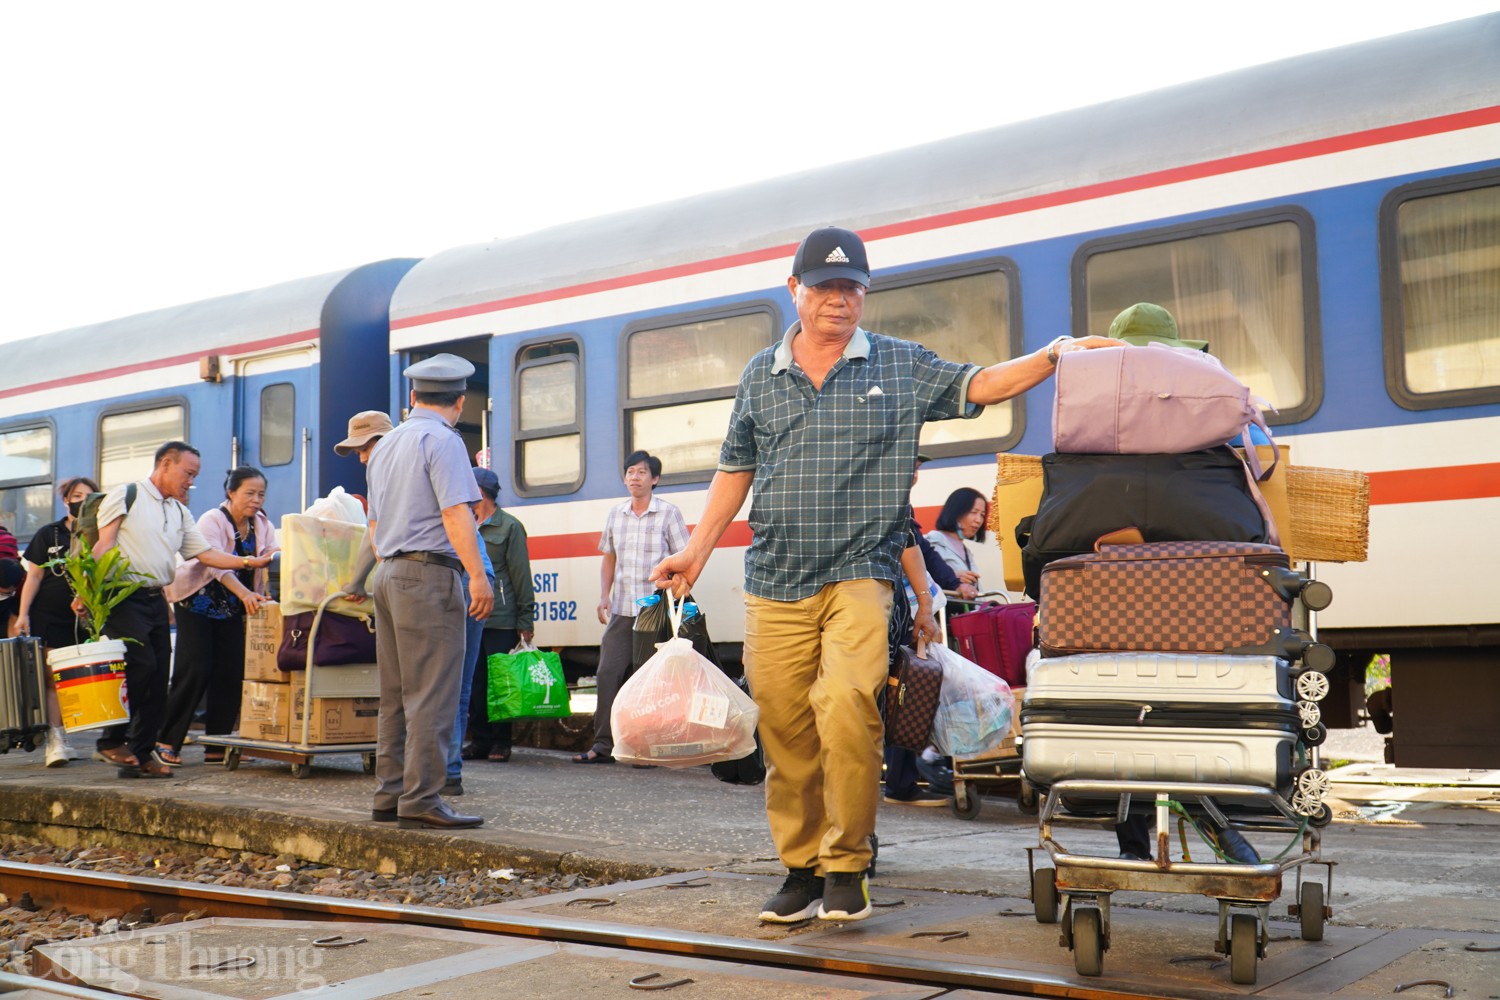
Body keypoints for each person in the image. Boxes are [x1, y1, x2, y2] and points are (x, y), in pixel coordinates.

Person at [651, 225, 1121, 922]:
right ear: (795, 291)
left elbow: (980, 384)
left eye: (852, 288)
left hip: (860, 573)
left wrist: (1054, 355)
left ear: (864, 296)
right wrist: (696, 551)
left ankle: (847, 863)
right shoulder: (761, 375)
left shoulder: (898, 365)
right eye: (825, 287)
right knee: (782, 724)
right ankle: (802, 867)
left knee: (845, 705)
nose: (839, 301)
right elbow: (735, 469)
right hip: (776, 577)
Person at [90, 442, 274, 779]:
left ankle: (143, 754)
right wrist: (90, 592)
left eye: (195, 476)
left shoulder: (179, 511)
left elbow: (207, 554)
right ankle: (111, 741)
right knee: (140, 666)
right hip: (122, 594)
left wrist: (249, 561)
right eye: (188, 473)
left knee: (160, 676)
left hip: (156, 597)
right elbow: (104, 543)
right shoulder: (127, 495)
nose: (191, 481)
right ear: (165, 464)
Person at [365, 354, 492, 830]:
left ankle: (390, 792)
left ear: (412, 397)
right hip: (429, 574)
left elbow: (374, 524)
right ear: (459, 402)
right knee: (434, 693)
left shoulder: (387, 445)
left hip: (389, 572)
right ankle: (422, 798)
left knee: (396, 693)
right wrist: (477, 576)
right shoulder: (444, 441)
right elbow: (456, 513)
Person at [155, 467, 277, 765]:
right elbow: (215, 565)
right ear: (231, 492)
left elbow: (270, 558)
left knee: (231, 671)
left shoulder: (262, 523)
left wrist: (267, 593)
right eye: (249, 493)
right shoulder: (212, 519)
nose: (256, 500)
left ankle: (217, 744)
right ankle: (165, 741)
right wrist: (245, 593)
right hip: (197, 602)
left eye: (260, 494)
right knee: (195, 667)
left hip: (233, 607)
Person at [576, 450, 689, 765]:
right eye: (630, 472)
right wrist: (603, 595)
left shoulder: (669, 513)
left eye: (641, 472)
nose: (635, 477)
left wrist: (675, 593)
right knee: (608, 672)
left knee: (651, 678)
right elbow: (609, 557)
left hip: (657, 612)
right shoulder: (616, 514)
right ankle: (602, 745)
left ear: (655, 479)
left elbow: (685, 559)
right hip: (623, 608)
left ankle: (646, 748)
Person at [15, 475, 99, 766]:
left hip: (86, 617)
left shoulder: (100, 534)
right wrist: (23, 613)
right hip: (49, 614)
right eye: (76, 496)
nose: (81, 502)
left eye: (88, 497)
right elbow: (34, 576)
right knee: (53, 679)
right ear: (66, 500)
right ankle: (56, 738)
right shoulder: (48, 534)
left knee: (77, 680)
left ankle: (82, 736)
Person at [464, 472, 536, 764]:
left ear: (481, 491)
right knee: (475, 681)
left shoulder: (509, 527)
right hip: (470, 615)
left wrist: (526, 620)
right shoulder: (463, 524)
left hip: (501, 617)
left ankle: (501, 741)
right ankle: (479, 740)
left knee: (501, 682)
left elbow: (521, 575)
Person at [443, 466, 496, 796]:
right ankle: (451, 772)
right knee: (459, 688)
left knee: (439, 687)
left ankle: (439, 769)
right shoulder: (462, 509)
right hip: (476, 582)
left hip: (453, 582)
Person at [925, 487, 988, 594]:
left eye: (982, 515)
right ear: (956, 512)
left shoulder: (967, 552)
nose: (979, 520)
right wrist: (952, 576)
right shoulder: (930, 542)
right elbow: (919, 579)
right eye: (974, 512)